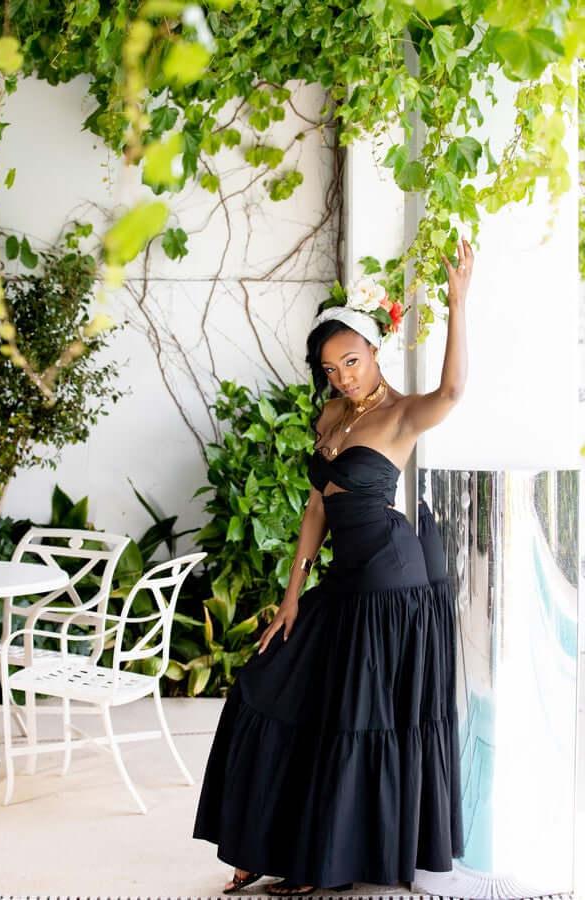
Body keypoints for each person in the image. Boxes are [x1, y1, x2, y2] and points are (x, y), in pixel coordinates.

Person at [192, 238, 473, 895]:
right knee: (268, 682)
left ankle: (324, 861)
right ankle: (266, 842)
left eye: (352, 360)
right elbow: (316, 506)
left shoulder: (403, 415)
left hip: (389, 580)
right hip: (341, 578)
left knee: (349, 716)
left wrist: (459, 305)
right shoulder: (331, 415)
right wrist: (292, 593)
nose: (344, 375)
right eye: (332, 367)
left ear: (375, 351)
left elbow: (455, 389)